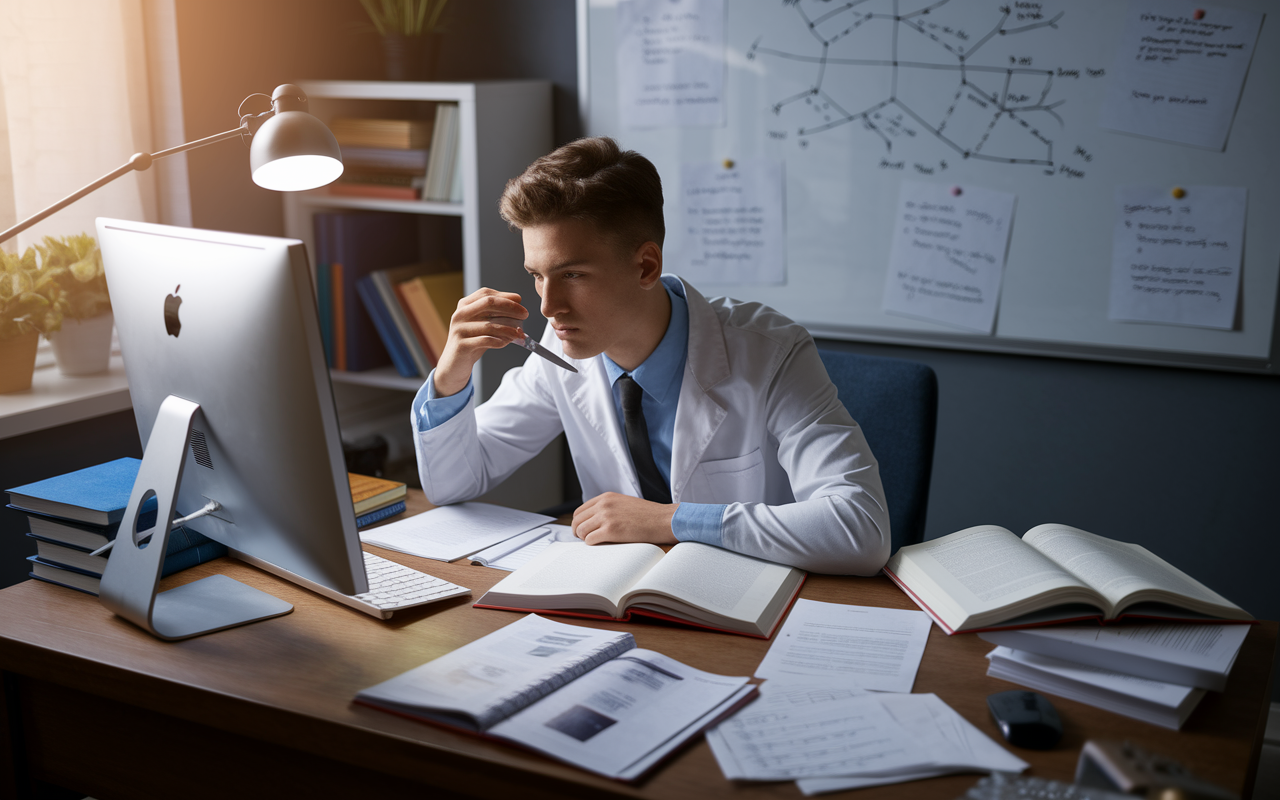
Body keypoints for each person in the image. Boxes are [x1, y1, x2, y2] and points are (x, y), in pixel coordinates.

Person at [412, 137, 889, 575]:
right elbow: (453, 484)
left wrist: (672, 521)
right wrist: (452, 373)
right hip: (621, 598)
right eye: (537, 275)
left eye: (572, 275)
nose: (547, 306)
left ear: (646, 265)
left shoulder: (772, 352)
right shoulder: (560, 351)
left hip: (750, 601)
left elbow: (860, 529)